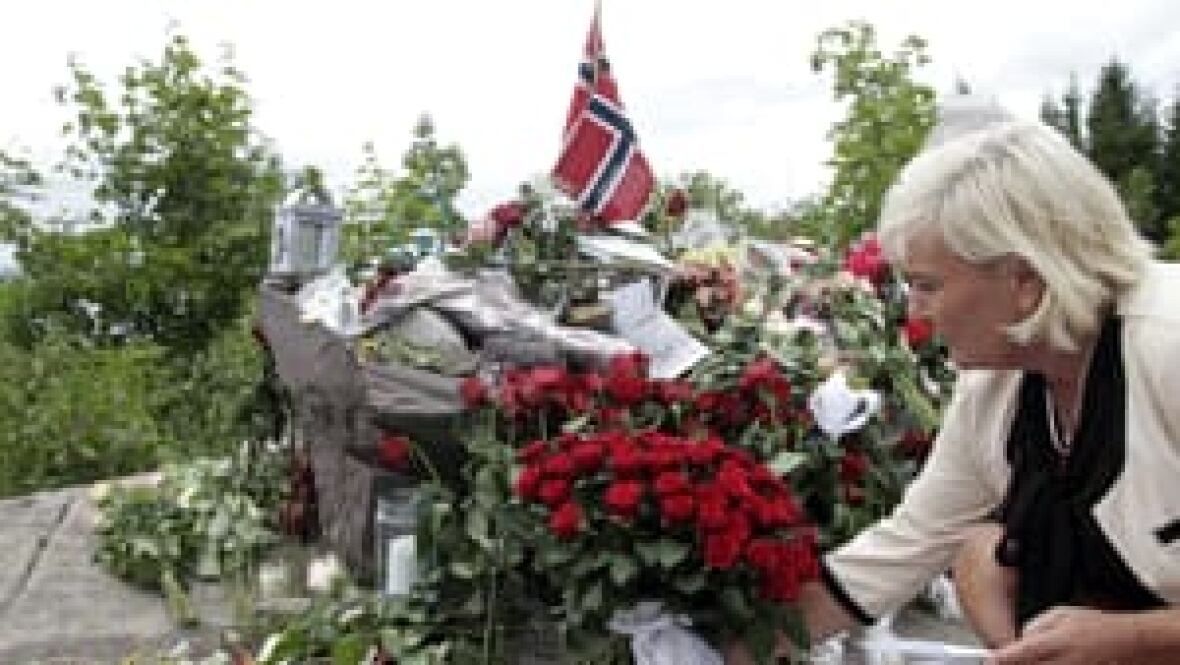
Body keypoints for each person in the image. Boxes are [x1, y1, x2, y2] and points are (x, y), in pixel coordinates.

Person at [731, 97, 1180, 664]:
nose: (916, 313)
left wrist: (1133, 640)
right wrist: (712, 650)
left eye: (927, 285)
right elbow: (899, 552)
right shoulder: (999, 391)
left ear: (1024, 279)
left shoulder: (1168, 345)